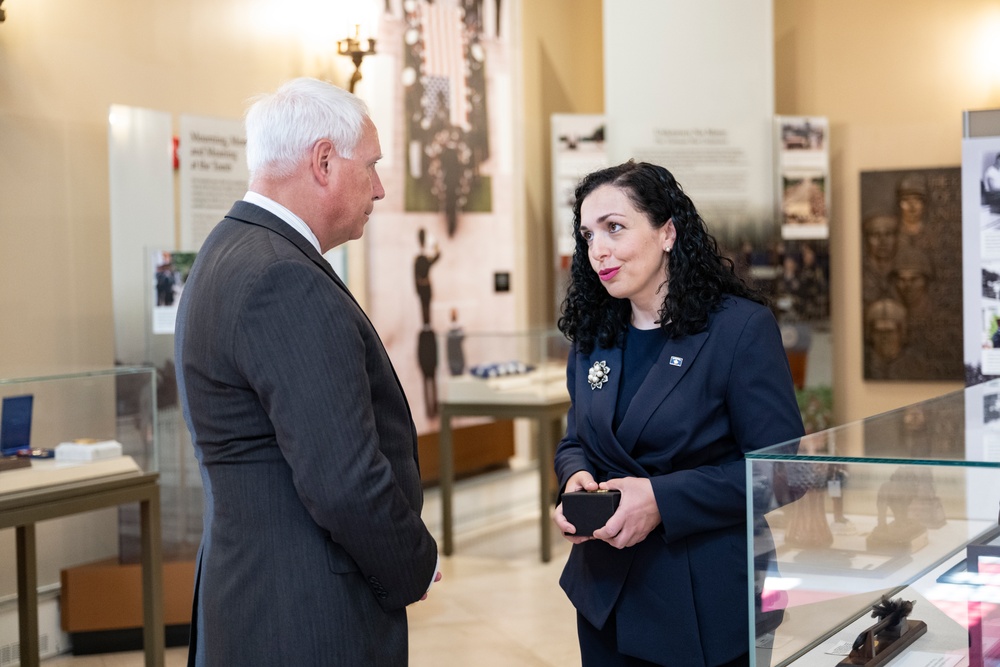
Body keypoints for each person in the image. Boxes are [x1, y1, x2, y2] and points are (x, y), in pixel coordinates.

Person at [175, 78, 440, 667]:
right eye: (370, 166)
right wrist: (414, 561)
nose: (380, 187)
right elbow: (344, 478)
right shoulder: (281, 277)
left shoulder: (229, 249)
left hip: (257, 598)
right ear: (323, 161)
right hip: (304, 614)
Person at [553, 160, 805, 666]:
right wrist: (576, 477)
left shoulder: (739, 330)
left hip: (706, 601)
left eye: (614, 228)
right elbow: (576, 438)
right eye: (587, 235)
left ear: (667, 232)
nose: (597, 249)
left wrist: (661, 501)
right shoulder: (595, 333)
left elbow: (783, 473)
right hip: (605, 596)